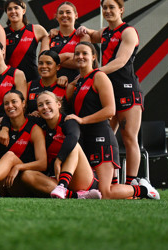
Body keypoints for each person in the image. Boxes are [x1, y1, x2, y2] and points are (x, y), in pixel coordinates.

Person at [65, 42, 158, 199]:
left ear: (93, 57)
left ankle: (144, 190)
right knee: (95, 190)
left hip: (102, 140)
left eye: (85, 53)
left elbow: (110, 111)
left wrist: (82, 120)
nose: (80, 56)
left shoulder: (99, 77)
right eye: (77, 54)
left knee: (105, 193)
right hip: (86, 140)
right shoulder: (77, 83)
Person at [77, 0, 144, 186]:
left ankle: (132, 183)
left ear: (121, 9)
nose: (107, 11)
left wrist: (92, 73)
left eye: (111, 7)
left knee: (129, 137)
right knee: (107, 137)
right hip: (109, 91)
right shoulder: (105, 32)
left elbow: (121, 61)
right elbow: (90, 35)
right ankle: (110, 182)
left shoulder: (128, 32)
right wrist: (83, 29)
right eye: (104, 8)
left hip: (127, 91)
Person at [16, 91, 102, 199]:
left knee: (74, 146)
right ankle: (76, 196)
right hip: (56, 177)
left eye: (48, 103)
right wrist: (2, 123)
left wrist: (59, 159)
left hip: (81, 177)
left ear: (58, 104)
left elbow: (73, 137)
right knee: (26, 175)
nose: (45, 107)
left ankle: (62, 186)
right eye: (40, 105)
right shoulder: (39, 123)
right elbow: (17, 117)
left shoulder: (68, 121)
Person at [3, 0, 49, 81]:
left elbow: (52, 42)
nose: (13, 11)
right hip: (11, 81)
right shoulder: (2, 32)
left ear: (23, 11)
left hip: (33, 80)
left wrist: (54, 32)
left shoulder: (36, 29)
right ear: (7, 12)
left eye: (16, 8)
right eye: (9, 9)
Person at [49, 1, 90, 81]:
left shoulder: (83, 36)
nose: (64, 15)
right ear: (57, 17)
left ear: (76, 15)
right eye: (61, 13)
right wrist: (69, 56)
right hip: (54, 84)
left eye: (68, 12)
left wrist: (53, 60)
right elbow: (43, 62)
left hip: (78, 83)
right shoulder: (50, 37)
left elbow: (85, 62)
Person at [26, 50, 67, 115]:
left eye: (48, 63)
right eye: (40, 63)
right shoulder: (30, 85)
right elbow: (23, 110)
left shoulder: (65, 86)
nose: (44, 66)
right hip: (34, 124)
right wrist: (30, 115)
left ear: (57, 67)